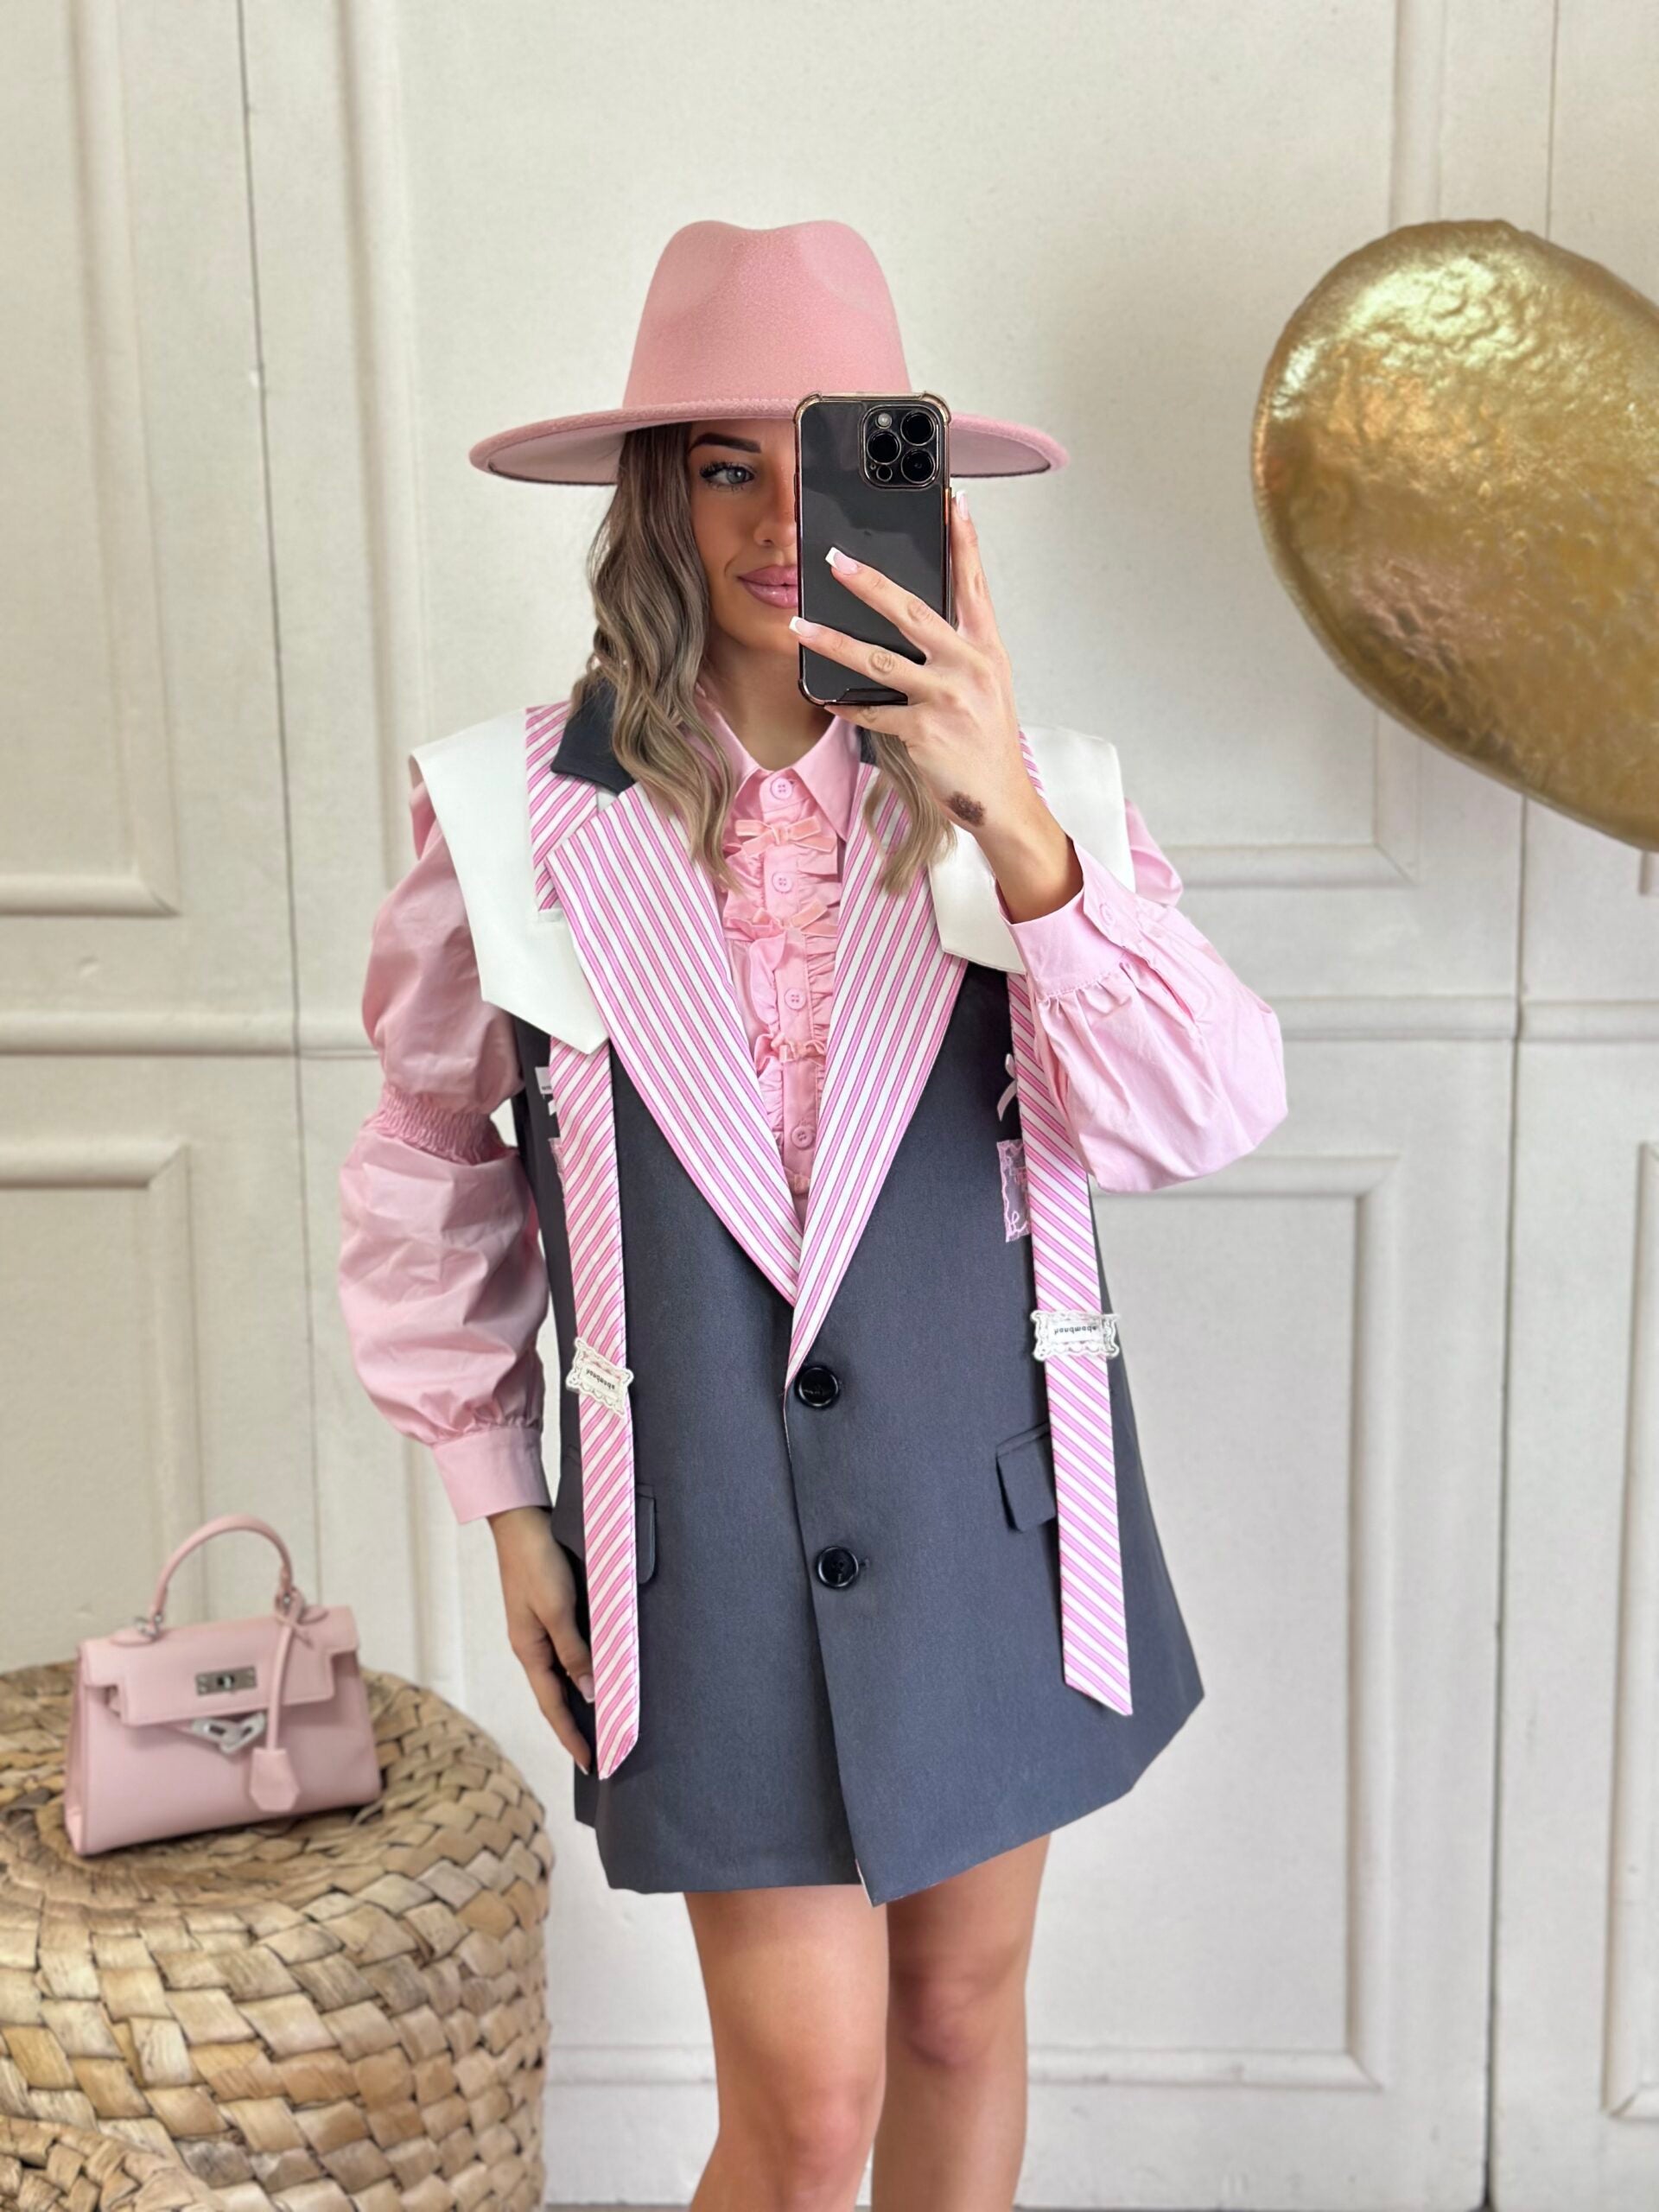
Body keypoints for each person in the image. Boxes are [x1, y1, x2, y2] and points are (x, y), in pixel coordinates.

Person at [338, 219, 1287, 2210]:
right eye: (723, 466)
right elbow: (432, 1156)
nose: (781, 522)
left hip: (993, 1510)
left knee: (956, 2018)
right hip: (695, 1534)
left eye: (831, 459)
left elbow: (1204, 1110)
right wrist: (502, 1495)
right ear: (653, 498)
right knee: (807, 2105)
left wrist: (1012, 817)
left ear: (914, 488)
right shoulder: (514, 810)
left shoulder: (1038, 798)